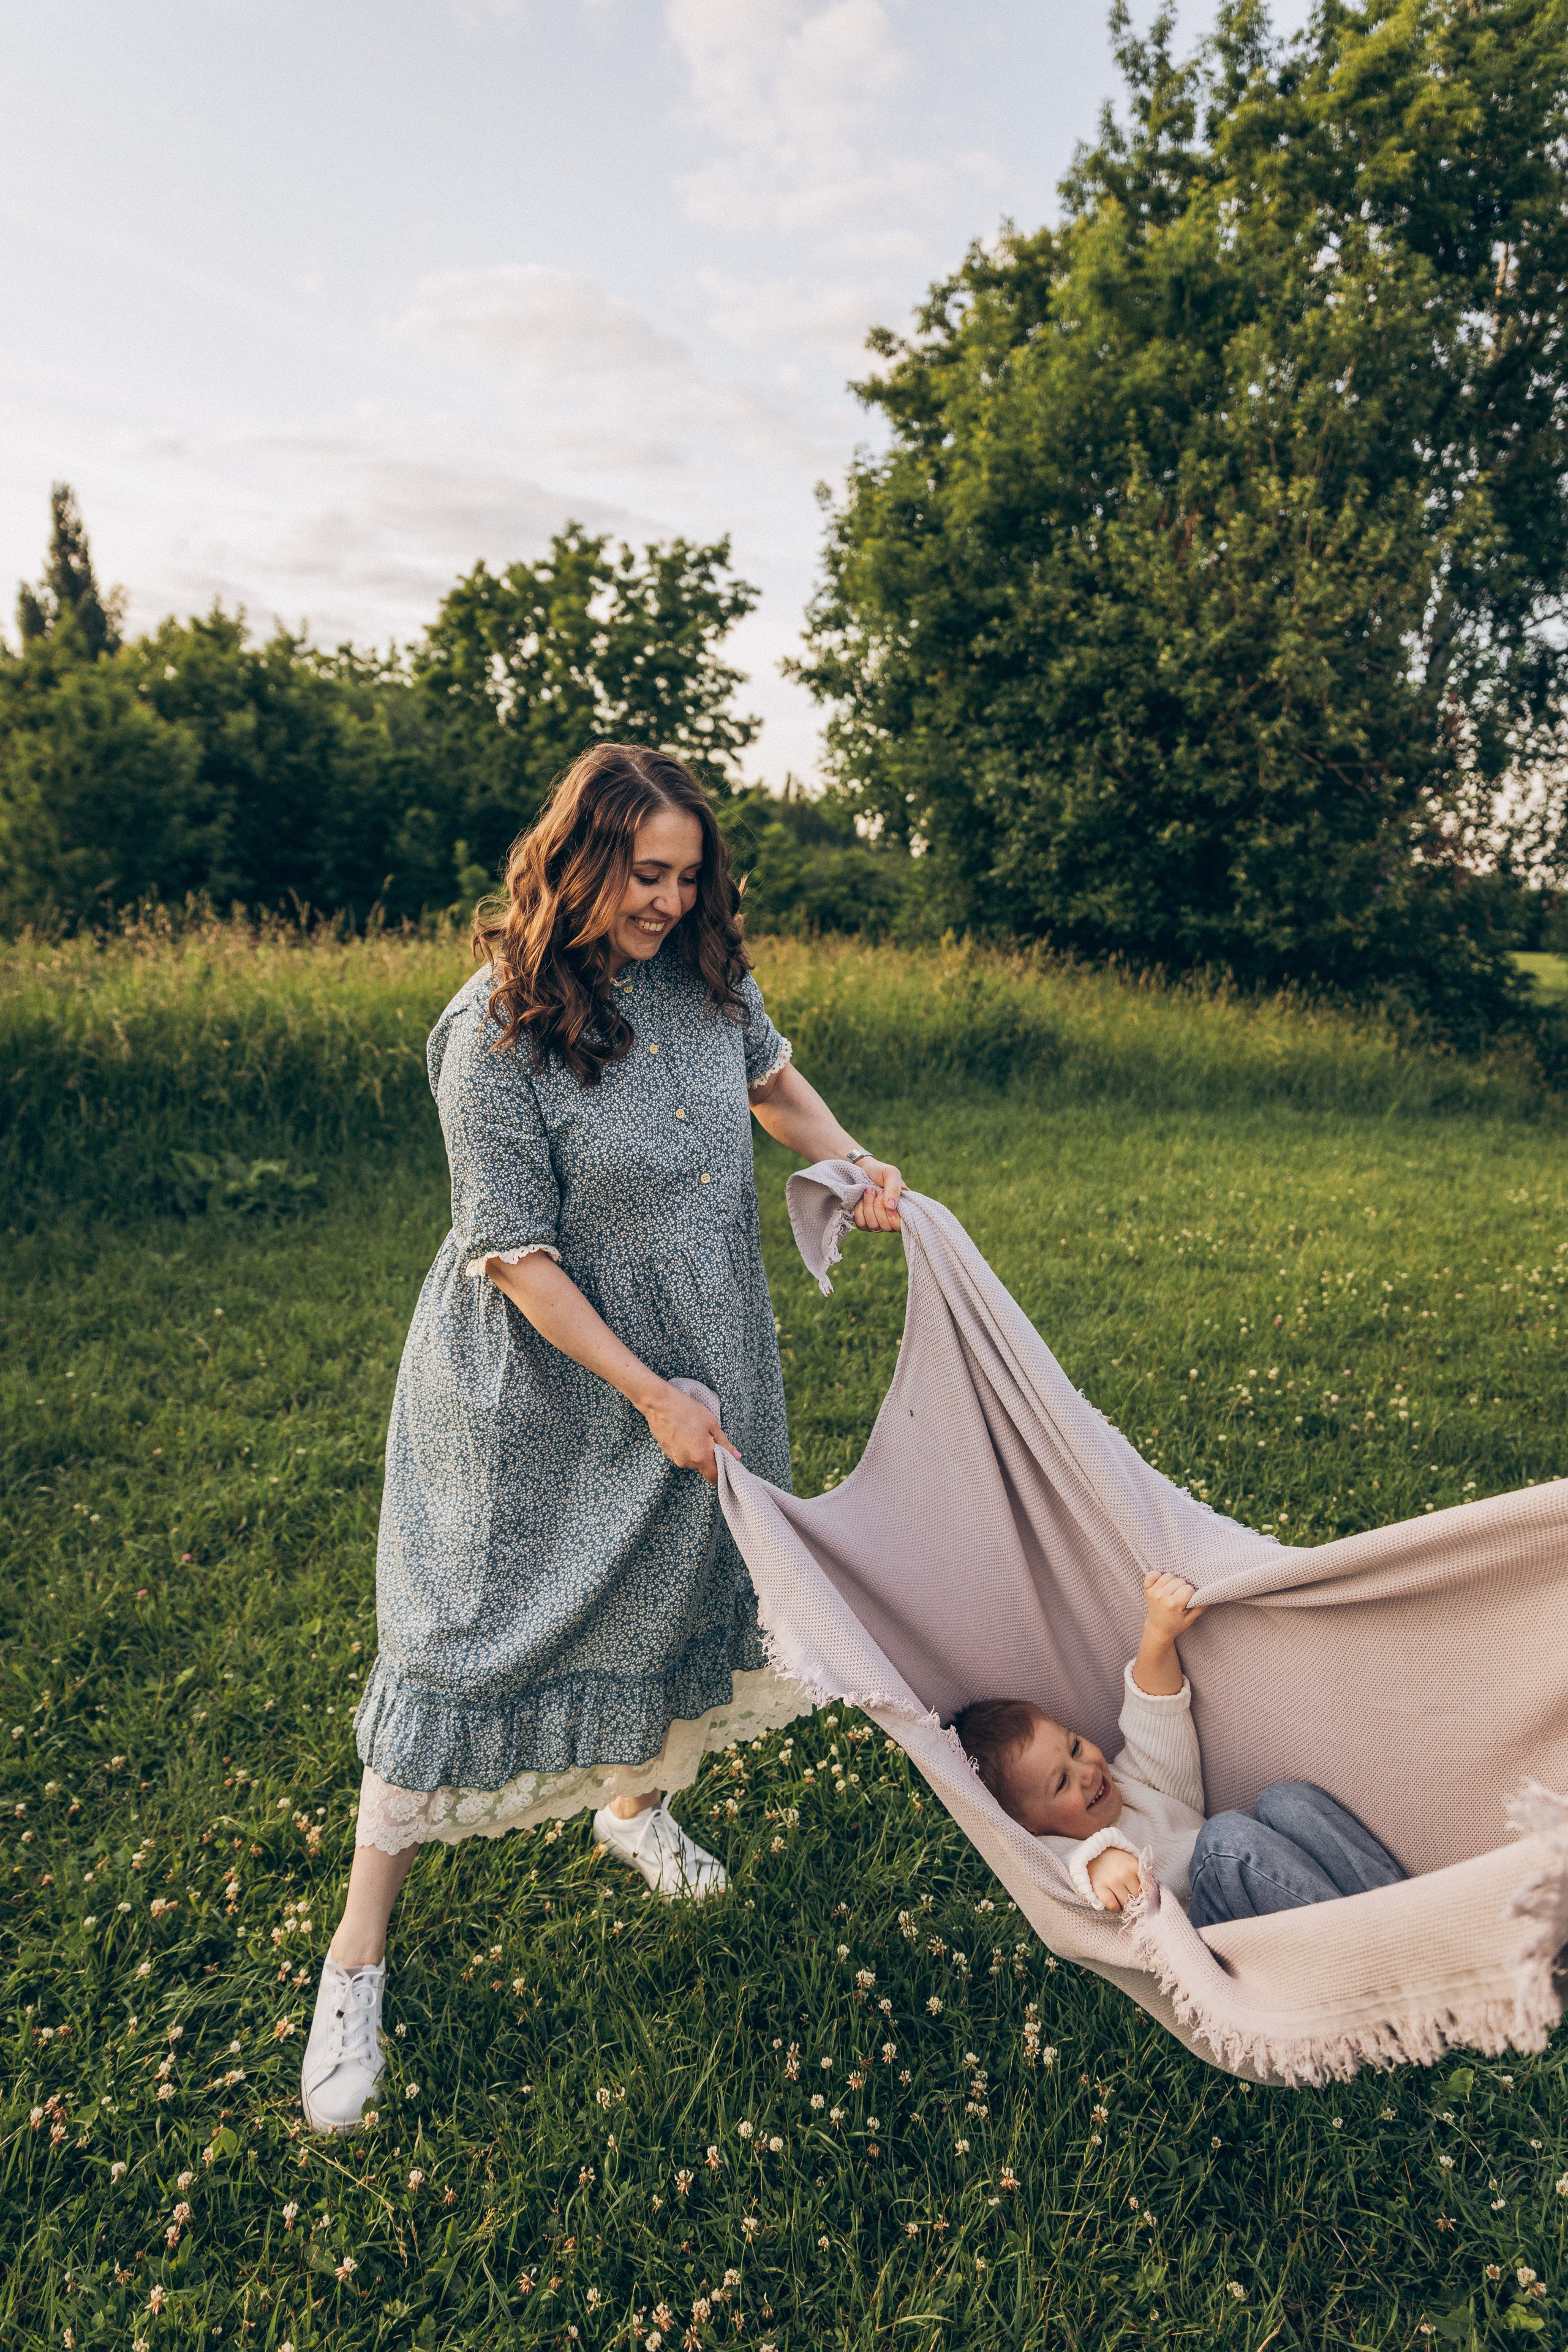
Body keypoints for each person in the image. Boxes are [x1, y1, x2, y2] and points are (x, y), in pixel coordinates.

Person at [301, 743, 905, 2135]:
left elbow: (776, 1088)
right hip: (546, 1389)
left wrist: (856, 1162)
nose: (669, 900)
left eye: (689, 876)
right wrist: (645, 1389)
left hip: (707, 1356)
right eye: (647, 875)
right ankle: (354, 1962)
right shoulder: (495, 1028)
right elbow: (510, 1253)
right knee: (460, 1643)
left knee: (680, 1592)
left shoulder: (707, 978)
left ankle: (631, 1807)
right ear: (580, 861)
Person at [954, 1572, 1406, 1927]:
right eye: (1062, 1782)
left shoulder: (1134, 1783)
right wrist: (1095, 1862)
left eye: (1073, 1748)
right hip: (1216, 1943)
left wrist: (1158, 1633)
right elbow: (1047, 1868)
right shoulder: (1058, 1854)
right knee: (1223, 1840)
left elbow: (1155, 1714)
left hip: (1273, 1903)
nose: (1088, 1771)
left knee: (1284, 1800)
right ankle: (1373, 1949)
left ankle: (1408, 1913)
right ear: (1031, 1825)